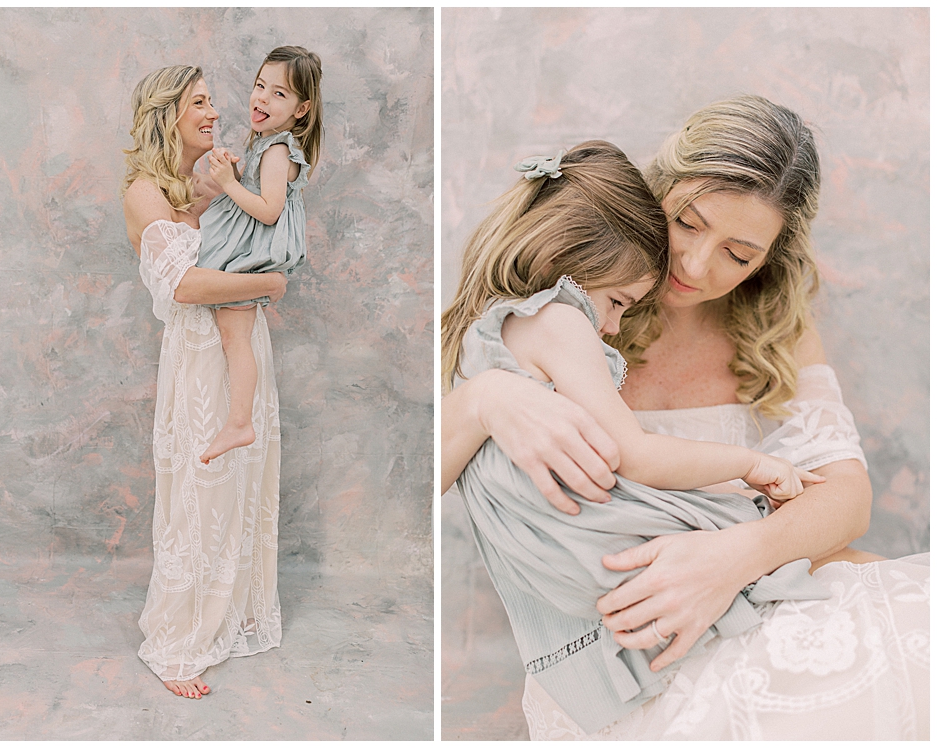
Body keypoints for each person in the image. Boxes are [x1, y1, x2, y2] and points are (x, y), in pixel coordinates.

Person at [441, 96, 929, 739]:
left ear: (770, 257)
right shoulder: (570, 306)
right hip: (630, 647)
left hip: (757, 587)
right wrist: (486, 399)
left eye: (740, 253)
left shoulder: (774, 328)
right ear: (659, 190)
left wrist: (732, 558)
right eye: (688, 223)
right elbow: (434, 475)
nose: (697, 266)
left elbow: (847, 500)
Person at [122, 65, 288, 700]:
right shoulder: (145, 192)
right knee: (200, 491)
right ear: (168, 114)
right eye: (199, 102)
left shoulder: (197, 189)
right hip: (197, 359)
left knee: (242, 482)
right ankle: (177, 641)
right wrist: (269, 285)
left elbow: (251, 235)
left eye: (214, 101)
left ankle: (231, 609)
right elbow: (185, 285)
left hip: (242, 351)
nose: (214, 112)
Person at [197, 46, 323, 465]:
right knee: (232, 336)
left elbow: (269, 210)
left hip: (252, 254)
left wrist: (229, 184)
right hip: (244, 248)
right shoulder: (266, 145)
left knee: (236, 339)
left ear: (302, 109)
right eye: (259, 87)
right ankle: (235, 419)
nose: (262, 99)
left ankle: (239, 423)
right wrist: (231, 176)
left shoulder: (277, 150)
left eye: (279, 94)